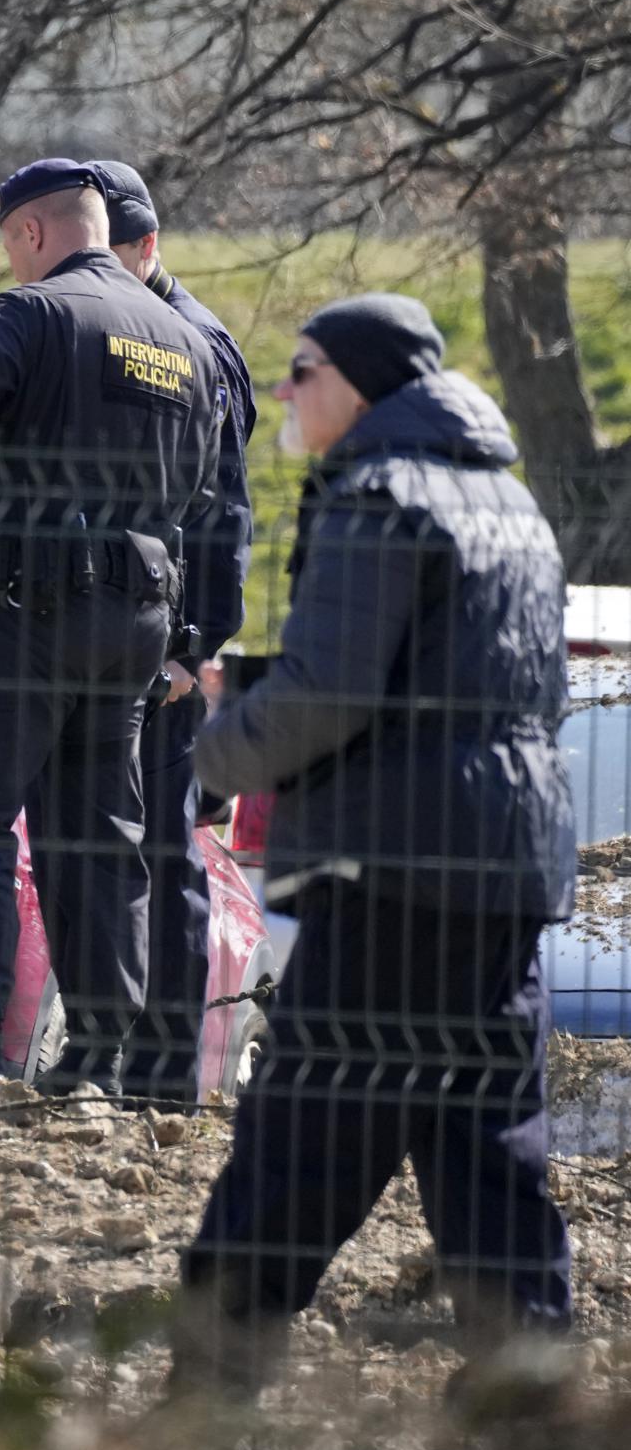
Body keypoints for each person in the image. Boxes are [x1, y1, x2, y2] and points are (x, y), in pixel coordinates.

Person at [175, 297, 572, 1387]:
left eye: (301, 370)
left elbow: (330, 691)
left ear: (355, 380)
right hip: (502, 871)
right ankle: (535, 1414)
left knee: (300, 1145)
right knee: (489, 1153)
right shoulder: (509, 503)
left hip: (387, 873)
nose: (288, 392)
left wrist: (209, 756)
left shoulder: (379, 493)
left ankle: (199, 1406)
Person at [0, 159, 222, 1106]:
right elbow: (202, 485)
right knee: (101, 836)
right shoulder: (181, 338)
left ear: (31, 233)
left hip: (34, 606)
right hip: (138, 621)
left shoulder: (30, 316)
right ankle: (97, 1062)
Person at [88, 161, 256, 1107]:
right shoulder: (109, 324)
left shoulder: (193, 342)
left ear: (147, 250)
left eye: (107, 256)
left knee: (163, 856)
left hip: (166, 647)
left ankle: (162, 1085)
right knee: (110, 851)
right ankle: (114, 1070)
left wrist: (197, 647)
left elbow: (222, 511)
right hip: (109, 632)